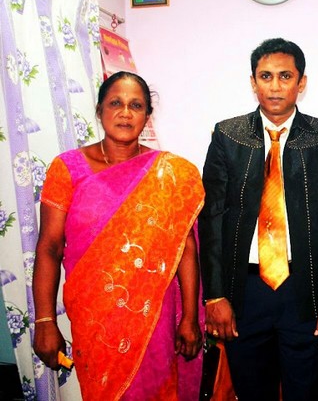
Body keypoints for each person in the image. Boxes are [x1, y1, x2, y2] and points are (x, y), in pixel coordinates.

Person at [33, 71, 205, 400]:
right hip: (94, 319)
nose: (125, 112)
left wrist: (189, 318)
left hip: (152, 318)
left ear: (147, 115)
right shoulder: (67, 169)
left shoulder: (171, 173)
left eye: (135, 105)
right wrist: (44, 320)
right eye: (116, 103)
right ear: (100, 110)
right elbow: (49, 248)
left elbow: (186, 247)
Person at [198, 38, 318, 400]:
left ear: (301, 82)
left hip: (306, 291)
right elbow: (212, 220)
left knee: (304, 392)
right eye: (266, 76)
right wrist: (214, 296)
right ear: (253, 82)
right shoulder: (227, 136)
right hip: (244, 293)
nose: (276, 85)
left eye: (286, 76)